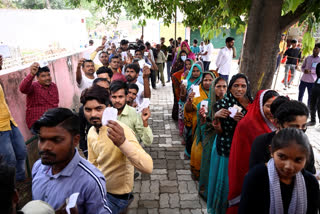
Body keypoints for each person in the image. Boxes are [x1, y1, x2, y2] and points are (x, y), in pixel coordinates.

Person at [82, 86, 153, 213]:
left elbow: (148, 167)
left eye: (98, 109)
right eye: (88, 109)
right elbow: (92, 163)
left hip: (117, 198)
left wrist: (122, 143)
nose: (93, 114)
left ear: (108, 108)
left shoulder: (121, 130)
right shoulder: (92, 131)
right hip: (99, 192)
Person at [31, 108, 111, 214]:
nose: (45, 147)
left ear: (75, 140)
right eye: (41, 139)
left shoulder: (91, 182)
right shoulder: (38, 167)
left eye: (56, 140)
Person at [239, 128, 319, 214]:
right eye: (282, 157)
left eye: (298, 160)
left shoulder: (310, 183)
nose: (289, 166)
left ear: (306, 159)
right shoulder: (256, 177)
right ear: (272, 151)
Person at [227, 90, 279, 214]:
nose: (272, 110)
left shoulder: (279, 124)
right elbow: (240, 157)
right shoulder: (246, 124)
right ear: (260, 105)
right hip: (250, 173)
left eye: (275, 106)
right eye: (268, 106)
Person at [207, 73, 253, 214]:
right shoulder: (221, 105)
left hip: (245, 150)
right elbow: (220, 131)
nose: (240, 89)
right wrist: (216, 118)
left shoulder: (251, 104)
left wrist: (243, 123)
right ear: (231, 87)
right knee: (227, 184)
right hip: (227, 151)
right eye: (236, 86)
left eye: (243, 86)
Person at [249, 99, 316, 174]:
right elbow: (255, 173)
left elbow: (310, 173)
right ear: (277, 123)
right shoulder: (262, 142)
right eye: (293, 127)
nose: (299, 132)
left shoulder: (306, 145)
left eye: (303, 127)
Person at [198, 77, 227, 200]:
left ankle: (217, 192)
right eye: (218, 86)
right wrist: (205, 119)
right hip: (210, 139)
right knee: (208, 164)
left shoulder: (229, 104)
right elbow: (202, 125)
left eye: (224, 87)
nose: (221, 90)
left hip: (224, 140)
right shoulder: (206, 103)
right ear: (213, 88)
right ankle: (205, 191)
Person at [0, 55, 27, 182]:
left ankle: (21, 182)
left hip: (9, 122)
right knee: (9, 161)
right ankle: (12, 188)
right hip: (1, 129)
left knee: (21, 152)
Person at [187, 72, 214, 178]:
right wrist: (190, 100)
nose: (207, 82)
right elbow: (189, 109)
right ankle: (197, 172)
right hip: (199, 127)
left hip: (213, 128)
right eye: (205, 80)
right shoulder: (197, 92)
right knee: (198, 150)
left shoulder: (218, 95)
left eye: (210, 80)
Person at [110, 81, 153, 146]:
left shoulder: (134, 113)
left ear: (126, 96)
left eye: (120, 97)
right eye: (114, 97)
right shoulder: (106, 113)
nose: (117, 100)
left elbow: (148, 142)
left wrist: (145, 122)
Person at [19, 63, 59, 129]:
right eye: (43, 76)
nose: (47, 78)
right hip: (37, 122)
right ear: (37, 78)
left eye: (48, 75)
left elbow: (55, 104)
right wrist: (31, 74)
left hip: (52, 120)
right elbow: (23, 89)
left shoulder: (53, 86)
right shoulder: (33, 87)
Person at [180, 63, 204, 157]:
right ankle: (188, 149)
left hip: (198, 108)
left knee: (195, 131)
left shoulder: (202, 82)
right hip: (188, 106)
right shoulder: (187, 81)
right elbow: (182, 97)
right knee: (188, 127)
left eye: (197, 71)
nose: (195, 73)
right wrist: (183, 90)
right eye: (193, 71)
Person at [171, 56, 193, 122]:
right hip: (184, 97)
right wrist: (186, 77)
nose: (188, 66)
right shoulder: (183, 74)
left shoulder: (194, 73)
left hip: (192, 97)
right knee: (183, 117)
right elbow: (182, 85)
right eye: (186, 64)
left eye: (189, 64)